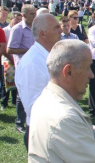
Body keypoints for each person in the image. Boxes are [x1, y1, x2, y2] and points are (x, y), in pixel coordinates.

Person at [16, 14, 62, 149]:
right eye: (56, 28)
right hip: (42, 132)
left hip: (54, 129)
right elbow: (34, 108)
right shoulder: (32, 63)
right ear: (43, 34)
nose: (61, 30)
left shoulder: (47, 56)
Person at [8, 4, 37, 133]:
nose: (34, 16)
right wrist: (29, 50)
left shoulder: (35, 28)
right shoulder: (18, 29)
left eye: (35, 13)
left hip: (35, 64)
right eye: (32, 14)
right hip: (23, 65)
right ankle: (19, 122)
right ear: (24, 15)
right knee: (22, 94)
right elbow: (10, 49)